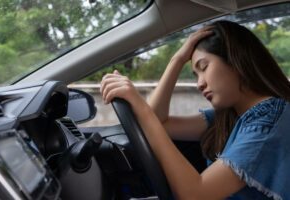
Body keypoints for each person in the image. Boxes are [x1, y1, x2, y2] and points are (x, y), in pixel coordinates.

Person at [100, 20, 290, 199]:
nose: (199, 84)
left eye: (204, 67)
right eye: (195, 74)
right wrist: (177, 59)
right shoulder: (230, 117)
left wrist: (139, 105)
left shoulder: (269, 121)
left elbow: (195, 194)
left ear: (235, 61)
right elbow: (159, 122)